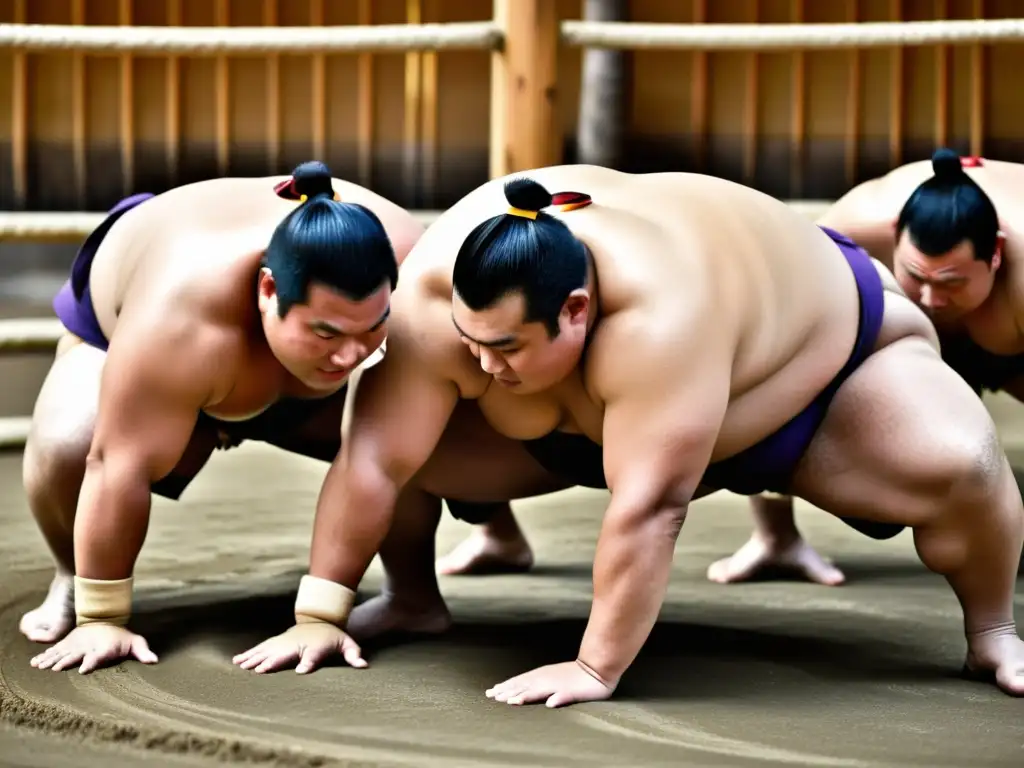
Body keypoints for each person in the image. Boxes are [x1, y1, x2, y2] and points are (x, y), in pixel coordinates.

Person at [235, 164, 1024, 706]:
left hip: (811, 375)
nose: (479, 362)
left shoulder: (659, 320)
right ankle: (412, 600)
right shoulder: (438, 299)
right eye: (469, 341)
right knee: (400, 434)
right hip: (571, 422)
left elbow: (651, 510)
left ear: (577, 310)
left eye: (504, 347)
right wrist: (319, 614)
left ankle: (992, 630)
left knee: (959, 460)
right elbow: (372, 457)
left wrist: (593, 665)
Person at [21, 160, 505, 675]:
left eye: (370, 330)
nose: (348, 355)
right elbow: (115, 463)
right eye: (326, 333)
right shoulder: (182, 318)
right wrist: (103, 618)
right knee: (72, 442)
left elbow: (469, 395)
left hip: (280, 364)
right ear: (269, 291)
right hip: (134, 315)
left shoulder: (418, 277)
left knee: (415, 421)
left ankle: (426, 587)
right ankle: (73, 576)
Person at [710, 147, 1024, 586]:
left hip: (1014, 343)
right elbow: (778, 349)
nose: (931, 300)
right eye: (918, 276)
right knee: (793, 377)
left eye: (951, 283)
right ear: (895, 235)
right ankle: (775, 537)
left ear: (995, 255)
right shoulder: (850, 226)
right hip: (901, 334)